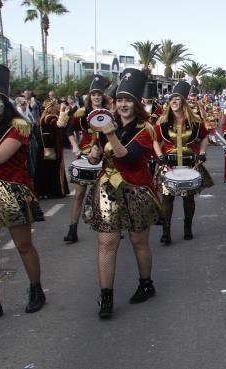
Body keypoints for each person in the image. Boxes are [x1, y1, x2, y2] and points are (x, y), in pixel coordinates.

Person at [83, 68, 161, 319]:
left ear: (137, 103)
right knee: (106, 242)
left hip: (137, 191)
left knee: (139, 241)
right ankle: (106, 296)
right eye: (119, 100)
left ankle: (146, 283)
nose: (123, 104)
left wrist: (110, 134)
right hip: (108, 191)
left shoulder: (145, 129)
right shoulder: (105, 124)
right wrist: (94, 154)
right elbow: (97, 157)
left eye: (128, 100)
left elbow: (128, 159)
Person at [0, 64, 46, 316]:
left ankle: (36, 289)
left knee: (23, 245)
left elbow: (0, 157)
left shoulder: (18, 125)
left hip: (13, 193)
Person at [154, 81, 213, 244]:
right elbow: (154, 140)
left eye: (177, 99)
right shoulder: (162, 122)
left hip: (190, 166)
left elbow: (205, 137)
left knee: (188, 198)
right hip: (169, 166)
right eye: (171, 99)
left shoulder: (195, 122)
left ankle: (188, 228)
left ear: (183, 102)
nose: (173, 101)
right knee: (167, 198)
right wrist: (160, 156)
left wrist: (201, 153)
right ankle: (166, 232)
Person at [58, 74, 111, 243]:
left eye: (99, 94)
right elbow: (67, 130)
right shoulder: (81, 113)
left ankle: (112, 225)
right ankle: (72, 229)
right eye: (93, 94)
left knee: (108, 193)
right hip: (86, 155)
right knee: (79, 193)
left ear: (103, 96)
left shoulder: (111, 113)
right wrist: (74, 145)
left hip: (106, 155)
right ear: (89, 96)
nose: (96, 97)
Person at [33, 97, 70, 198]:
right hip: (50, 147)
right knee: (51, 169)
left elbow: (62, 125)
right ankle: (52, 191)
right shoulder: (49, 118)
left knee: (49, 169)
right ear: (52, 106)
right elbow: (60, 125)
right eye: (57, 104)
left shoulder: (51, 116)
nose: (58, 106)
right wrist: (63, 111)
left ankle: (49, 191)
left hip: (51, 147)